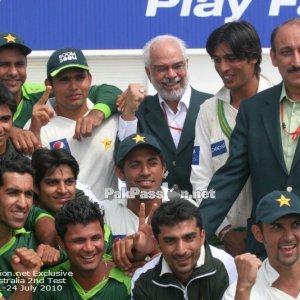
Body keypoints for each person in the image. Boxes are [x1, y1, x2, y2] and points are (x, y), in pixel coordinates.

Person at [199, 18, 300, 258]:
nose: (296, 61)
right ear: (273, 58)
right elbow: (229, 178)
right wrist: (194, 233)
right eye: (287, 52)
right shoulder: (254, 110)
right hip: (265, 249)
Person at [190, 20, 273, 256]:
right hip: (222, 241)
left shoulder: (281, 102)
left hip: (275, 236)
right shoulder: (208, 110)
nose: (223, 67)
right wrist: (225, 231)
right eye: (217, 59)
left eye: (231, 58)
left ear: (253, 57)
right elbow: (200, 178)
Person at [118, 35, 211, 193]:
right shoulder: (138, 110)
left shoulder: (212, 106)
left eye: (177, 66)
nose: (171, 74)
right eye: (161, 68)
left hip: (203, 209)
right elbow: (122, 156)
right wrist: (128, 113)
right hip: (154, 211)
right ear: (148, 73)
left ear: (187, 65)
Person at [0, 32, 121, 153]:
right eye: (3, 65)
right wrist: (10, 130)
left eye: (19, 64)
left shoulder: (42, 94)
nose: (13, 72)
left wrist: (97, 113)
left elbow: (110, 92)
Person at [28, 47, 118, 199]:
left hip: (109, 219)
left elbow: (119, 93)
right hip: (62, 219)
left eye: (79, 77)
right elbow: (36, 179)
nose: (73, 87)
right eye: (64, 79)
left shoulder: (110, 116)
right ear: (49, 85)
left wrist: (99, 113)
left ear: (89, 79)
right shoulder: (38, 124)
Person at [131, 200, 234, 300]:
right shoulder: (143, 278)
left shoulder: (228, 267)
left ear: (202, 237)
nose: (181, 250)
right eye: (170, 240)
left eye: (189, 238)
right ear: (157, 243)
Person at [34, 197, 131, 300]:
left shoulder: (129, 279)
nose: (89, 248)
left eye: (95, 238)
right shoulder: (45, 282)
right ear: (61, 242)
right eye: (79, 241)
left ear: (103, 235)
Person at [29, 147, 113, 254]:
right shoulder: (20, 230)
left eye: (69, 182)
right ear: (35, 187)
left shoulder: (98, 225)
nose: (63, 190)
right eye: (52, 182)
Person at [0, 155, 60, 298]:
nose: (23, 203)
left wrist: (55, 250)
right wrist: (26, 282)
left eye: (28, 194)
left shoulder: (36, 244)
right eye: (13, 193)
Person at [224, 190, 300, 299]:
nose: (289, 237)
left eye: (296, 224)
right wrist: (243, 290)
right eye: (277, 227)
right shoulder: (239, 291)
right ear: (258, 234)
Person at [101, 133, 168, 239]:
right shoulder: (105, 213)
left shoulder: (184, 207)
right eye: (135, 165)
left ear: (163, 168)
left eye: (152, 163)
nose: (145, 172)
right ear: (120, 173)